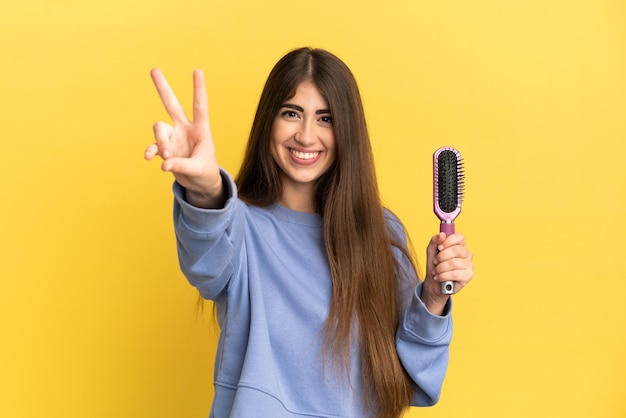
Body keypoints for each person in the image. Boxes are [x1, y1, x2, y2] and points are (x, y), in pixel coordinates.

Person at [145, 47, 473, 418]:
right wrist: (205, 190)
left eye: (325, 118)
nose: (305, 135)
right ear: (269, 120)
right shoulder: (240, 224)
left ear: (346, 130)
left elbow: (413, 380)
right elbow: (204, 263)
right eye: (291, 113)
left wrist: (432, 298)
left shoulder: (380, 232)